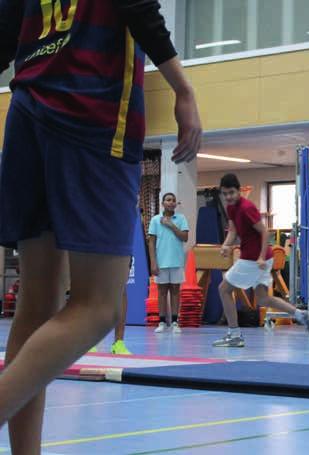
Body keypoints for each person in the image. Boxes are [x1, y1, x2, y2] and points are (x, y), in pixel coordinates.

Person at [0, 0, 202, 450]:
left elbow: (5, 30)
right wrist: (183, 89)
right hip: (89, 112)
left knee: (37, 305)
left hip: (27, 111)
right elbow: (137, 5)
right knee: (97, 308)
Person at [213, 174, 309, 347]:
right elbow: (232, 230)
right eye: (225, 194)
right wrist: (226, 245)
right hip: (257, 258)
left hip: (254, 258)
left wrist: (261, 256)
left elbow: (264, 232)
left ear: (239, 190)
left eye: (231, 192)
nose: (228, 197)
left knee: (224, 289)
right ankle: (303, 315)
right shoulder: (231, 207)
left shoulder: (247, 208)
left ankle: (234, 334)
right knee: (263, 299)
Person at [148, 192, 189, 333]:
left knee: (176, 291)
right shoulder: (155, 220)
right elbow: (151, 242)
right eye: (168, 200)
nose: (171, 202)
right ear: (162, 203)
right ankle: (162, 322)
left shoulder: (181, 218)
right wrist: (153, 262)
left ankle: (175, 322)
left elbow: (185, 237)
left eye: (173, 200)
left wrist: (171, 225)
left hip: (177, 261)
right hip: (161, 261)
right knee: (162, 292)